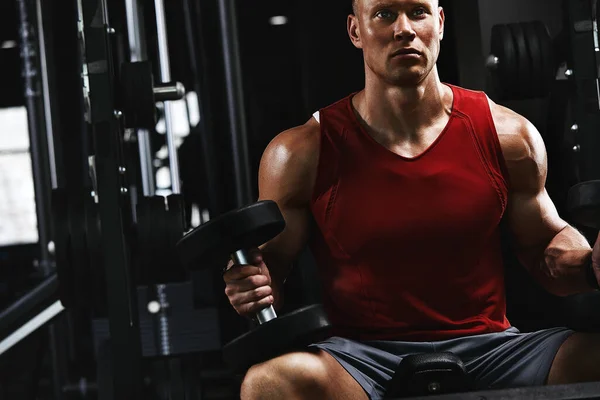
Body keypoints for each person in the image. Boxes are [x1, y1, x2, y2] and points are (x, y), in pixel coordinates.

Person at [223, 0, 600, 398]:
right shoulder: (302, 152)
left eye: (418, 12)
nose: (404, 28)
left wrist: (589, 265)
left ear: (438, 23)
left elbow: (544, 244)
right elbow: (271, 269)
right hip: (360, 359)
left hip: (493, 349)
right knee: (269, 384)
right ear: (356, 31)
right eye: (385, 14)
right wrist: (251, 284)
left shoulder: (509, 137)